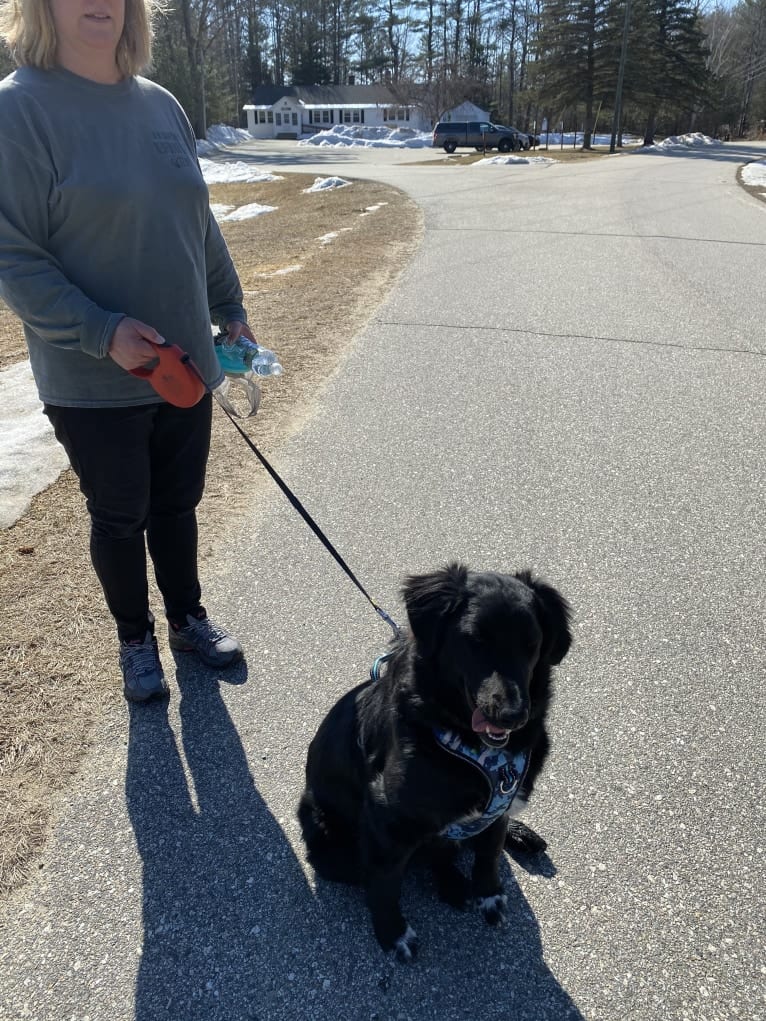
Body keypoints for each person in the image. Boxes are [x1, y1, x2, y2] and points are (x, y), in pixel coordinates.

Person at [0, 0, 254, 701]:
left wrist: (230, 309)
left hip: (185, 367)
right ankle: (134, 639)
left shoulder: (161, 104)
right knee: (120, 513)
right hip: (92, 378)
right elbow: (14, 259)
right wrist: (104, 331)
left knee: (178, 503)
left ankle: (187, 620)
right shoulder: (19, 111)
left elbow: (197, 224)